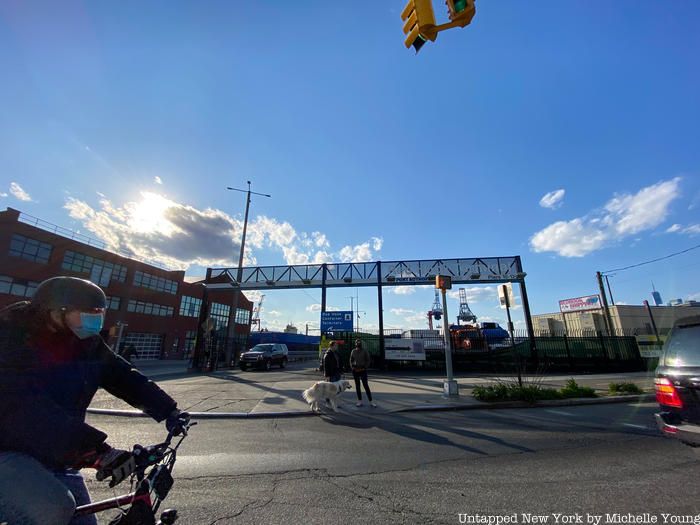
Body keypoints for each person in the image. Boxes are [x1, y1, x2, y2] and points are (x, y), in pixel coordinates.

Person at [0, 276, 190, 525]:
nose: (96, 319)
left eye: (99, 312)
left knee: (84, 522)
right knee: (54, 509)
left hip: (57, 456)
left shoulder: (85, 342)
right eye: (87, 313)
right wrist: (96, 451)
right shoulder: (11, 341)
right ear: (56, 313)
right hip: (10, 451)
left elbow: (122, 375)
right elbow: (25, 409)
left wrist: (169, 410)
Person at [350, 340, 376, 408]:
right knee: (357, 386)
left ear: (361, 344)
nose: (358, 344)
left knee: (366, 386)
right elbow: (351, 360)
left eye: (359, 343)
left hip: (363, 370)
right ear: (355, 344)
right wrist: (352, 367)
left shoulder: (364, 351)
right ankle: (359, 401)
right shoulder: (353, 351)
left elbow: (368, 360)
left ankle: (371, 401)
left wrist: (365, 367)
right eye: (357, 343)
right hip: (355, 370)